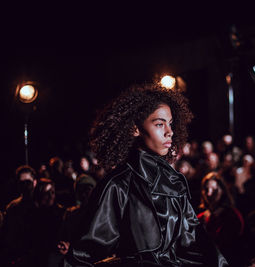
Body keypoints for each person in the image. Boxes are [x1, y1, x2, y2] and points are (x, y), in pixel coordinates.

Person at [64, 84, 228, 267]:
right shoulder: (117, 186)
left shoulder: (175, 184)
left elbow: (197, 244)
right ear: (135, 129)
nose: (170, 131)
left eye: (170, 123)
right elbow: (82, 256)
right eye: (159, 123)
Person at [197, 172, 244, 266]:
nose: (209, 194)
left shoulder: (232, 215)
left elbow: (230, 244)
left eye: (214, 189)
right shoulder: (200, 217)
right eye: (206, 190)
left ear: (222, 190)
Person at [0, 165, 38, 266]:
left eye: (28, 182)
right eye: (22, 183)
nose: (25, 186)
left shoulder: (42, 203)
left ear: (34, 182)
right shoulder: (13, 207)